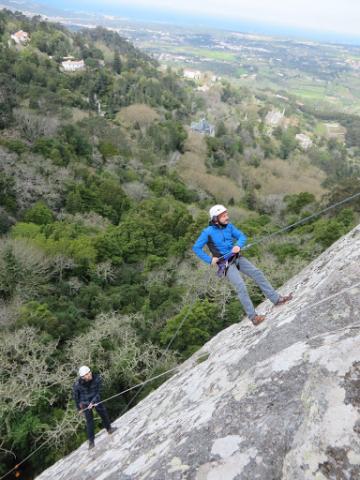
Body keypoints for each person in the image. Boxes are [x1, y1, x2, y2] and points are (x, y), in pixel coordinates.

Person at [192, 204, 292, 326]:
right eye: (223, 216)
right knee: (241, 286)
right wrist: (209, 259)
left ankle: (276, 299)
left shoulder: (229, 226)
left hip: (236, 257)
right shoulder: (207, 232)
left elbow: (241, 236)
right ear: (215, 219)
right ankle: (253, 317)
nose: (226, 217)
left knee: (257, 273)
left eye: (226, 214)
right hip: (225, 263)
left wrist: (238, 245)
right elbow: (196, 248)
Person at [73, 366, 117, 449]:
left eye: (89, 372)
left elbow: (100, 392)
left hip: (95, 399)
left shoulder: (97, 378)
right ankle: (91, 442)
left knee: (103, 413)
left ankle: (109, 429)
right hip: (85, 402)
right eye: (86, 374)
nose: (89, 375)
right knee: (89, 422)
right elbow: (76, 397)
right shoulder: (77, 385)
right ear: (82, 377)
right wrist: (79, 409)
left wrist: (93, 402)